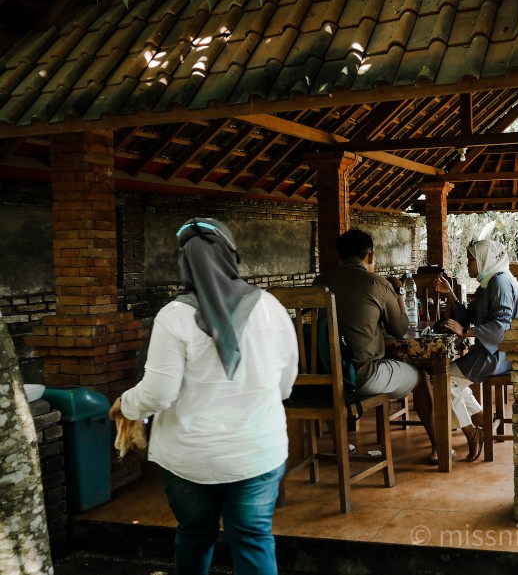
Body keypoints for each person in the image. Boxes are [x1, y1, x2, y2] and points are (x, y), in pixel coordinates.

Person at [108, 218, 298, 575]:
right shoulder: (270, 307)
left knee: (195, 535)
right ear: (232, 257)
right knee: (254, 539)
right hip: (257, 453)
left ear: (184, 264)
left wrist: (125, 404)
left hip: (190, 458)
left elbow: (158, 394)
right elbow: (286, 384)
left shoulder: (173, 317)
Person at [312, 229, 441, 464]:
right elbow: (400, 329)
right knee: (421, 378)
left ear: (339, 256)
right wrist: (398, 294)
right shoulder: (377, 283)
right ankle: (437, 448)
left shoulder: (320, 282)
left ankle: (340, 444)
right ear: (370, 256)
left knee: (332, 373)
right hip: (363, 378)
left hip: (324, 376)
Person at [433, 240, 518, 462]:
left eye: (471, 259)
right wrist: (449, 294)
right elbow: (469, 314)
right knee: (451, 382)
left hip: (500, 354)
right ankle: (480, 420)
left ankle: (472, 432)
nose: (468, 264)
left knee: (444, 381)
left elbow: (501, 328)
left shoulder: (500, 282)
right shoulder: (489, 282)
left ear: (484, 258)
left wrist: (465, 332)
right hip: (492, 351)